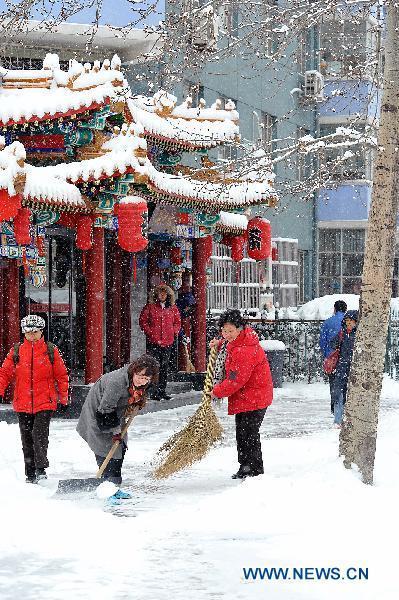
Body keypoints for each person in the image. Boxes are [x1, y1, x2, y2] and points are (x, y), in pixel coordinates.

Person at [0, 315, 69, 483]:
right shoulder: (16, 351)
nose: (31, 335)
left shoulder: (50, 350)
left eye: (35, 332)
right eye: (28, 332)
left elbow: (61, 375)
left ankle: (40, 468)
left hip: (45, 401)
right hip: (22, 402)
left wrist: (64, 398)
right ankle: (30, 473)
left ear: (41, 331)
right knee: (27, 438)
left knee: (39, 434)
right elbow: (5, 373)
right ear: (23, 332)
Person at [76, 355, 159, 485]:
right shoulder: (117, 382)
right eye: (139, 376)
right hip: (98, 416)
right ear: (134, 371)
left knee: (119, 449)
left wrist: (137, 400)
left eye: (146, 379)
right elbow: (105, 410)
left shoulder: (142, 383)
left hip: (115, 415)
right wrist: (115, 432)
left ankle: (113, 486)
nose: (141, 381)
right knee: (107, 451)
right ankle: (107, 486)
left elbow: (132, 396)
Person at [210, 309, 273, 479]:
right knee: (242, 432)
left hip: (255, 396)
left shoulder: (244, 350)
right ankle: (246, 465)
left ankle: (254, 469)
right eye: (224, 330)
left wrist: (216, 391)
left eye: (230, 331)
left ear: (240, 329)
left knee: (249, 433)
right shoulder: (238, 341)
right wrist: (220, 343)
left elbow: (236, 380)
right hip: (247, 396)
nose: (226, 334)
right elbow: (229, 345)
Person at [139, 283, 181, 401]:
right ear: (156, 294)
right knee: (153, 367)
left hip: (168, 341)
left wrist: (174, 332)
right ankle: (152, 391)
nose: (162, 295)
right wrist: (150, 333)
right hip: (154, 342)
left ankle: (162, 390)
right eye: (160, 293)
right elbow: (143, 321)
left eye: (164, 293)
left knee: (164, 366)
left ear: (168, 295)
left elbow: (177, 322)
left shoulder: (173, 308)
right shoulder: (150, 307)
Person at [329, 310, 358, 427]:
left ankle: (350, 419)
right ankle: (338, 420)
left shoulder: (359, 334)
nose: (349, 323)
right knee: (339, 393)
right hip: (342, 367)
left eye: (351, 321)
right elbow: (332, 344)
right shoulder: (342, 333)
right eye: (347, 321)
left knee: (352, 394)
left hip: (354, 368)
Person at [319, 300, 348, 414]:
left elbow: (322, 342)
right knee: (345, 382)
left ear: (335, 309)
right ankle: (344, 405)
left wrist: (327, 354)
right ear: (345, 309)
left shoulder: (327, 323)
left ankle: (335, 406)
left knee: (334, 383)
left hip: (332, 358)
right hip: (345, 357)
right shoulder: (348, 322)